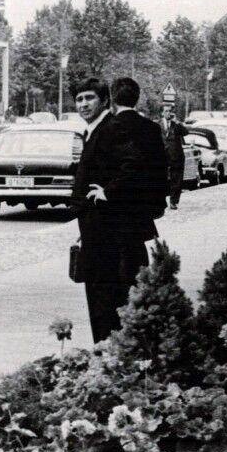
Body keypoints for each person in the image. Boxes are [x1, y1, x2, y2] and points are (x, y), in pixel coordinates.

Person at [71, 77, 167, 342]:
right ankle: (107, 351)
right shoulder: (95, 129)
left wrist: (108, 193)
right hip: (99, 228)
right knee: (103, 296)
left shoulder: (110, 128)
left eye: (89, 98)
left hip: (107, 232)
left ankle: (107, 352)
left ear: (105, 101)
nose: (83, 104)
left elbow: (133, 163)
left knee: (105, 297)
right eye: (79, 99)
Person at [161, 107, 188, 210]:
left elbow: (186, 132)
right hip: (162, 155)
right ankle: (161, 201)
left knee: (176, 179)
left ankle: (174, 202)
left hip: (176, 155)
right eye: (166, 111)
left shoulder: (175, 125)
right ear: (162, 113)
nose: (168, 113)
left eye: (170, 111)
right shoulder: (157, 125)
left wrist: (177, 122)